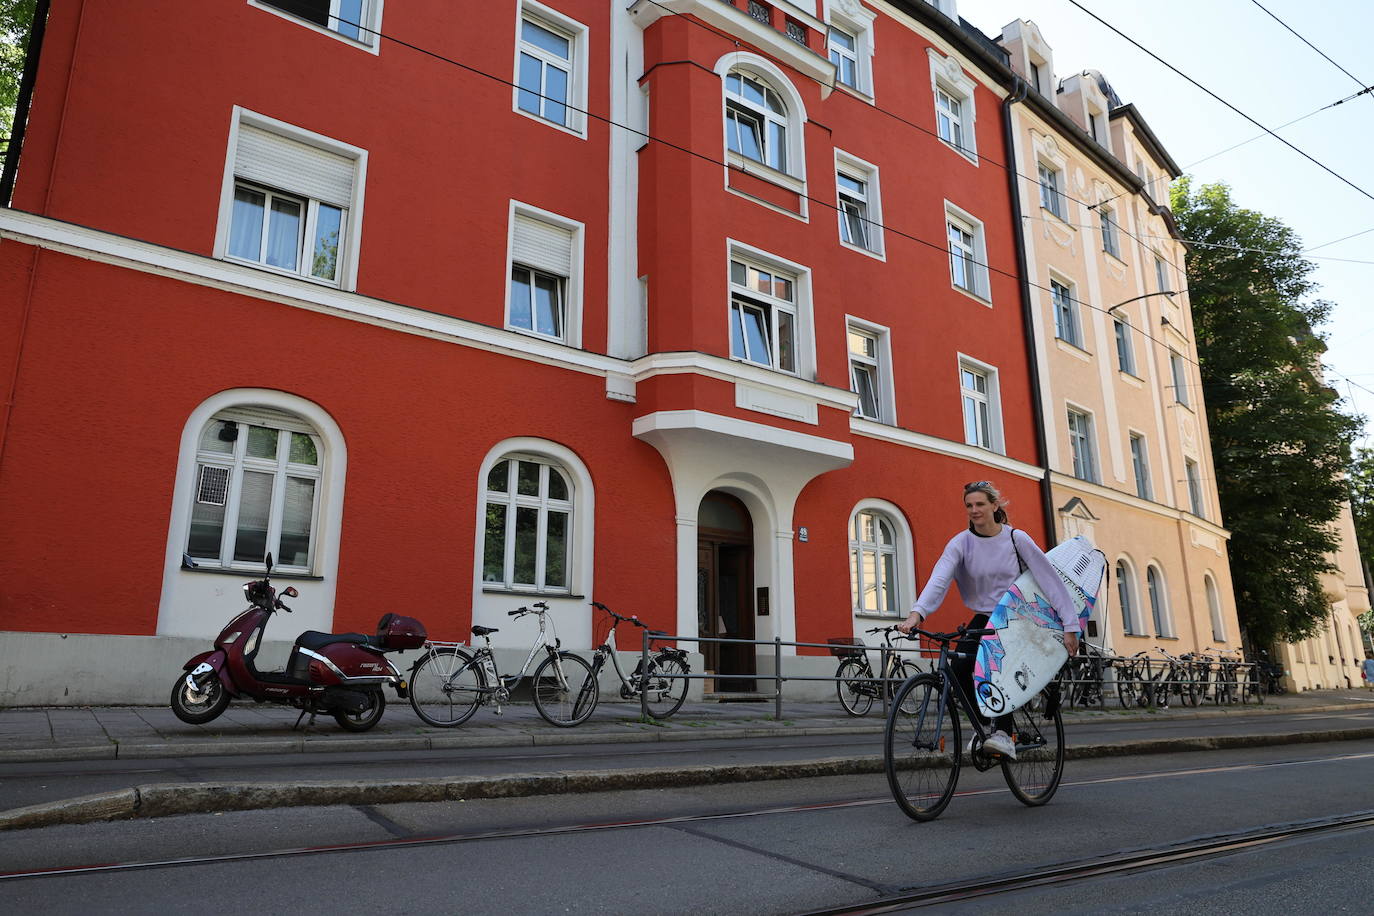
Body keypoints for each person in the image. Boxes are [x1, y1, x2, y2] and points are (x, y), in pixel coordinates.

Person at [897, 481, 1079, 759]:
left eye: (980, 504)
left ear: (995, 505)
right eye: (969, 505)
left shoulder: (1016, 539)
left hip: (1017, 618)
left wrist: (1070, 626)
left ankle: (1004, 734)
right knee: (958, 667)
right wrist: (916, 614)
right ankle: (985, 726)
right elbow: (940, 579)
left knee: (995, 667)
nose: (974, 510)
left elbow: (1050, 581)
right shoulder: (961, 543)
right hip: (984, 617)